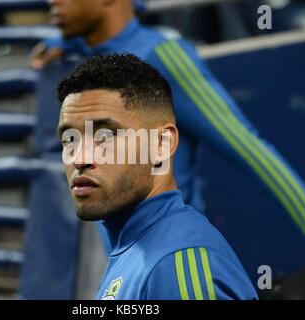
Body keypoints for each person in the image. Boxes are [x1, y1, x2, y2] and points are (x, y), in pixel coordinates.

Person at [31, 0, 305, 295]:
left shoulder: (164, 56)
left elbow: (249, 149)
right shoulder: (92, 62)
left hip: (169, 265)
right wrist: (70, 38)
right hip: (127, 262)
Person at [56, 53, 258, 300]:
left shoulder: (175, 262)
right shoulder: (137, 247)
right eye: (70, 139)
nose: (79, 158)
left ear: (162, 144)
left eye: (105, 136)